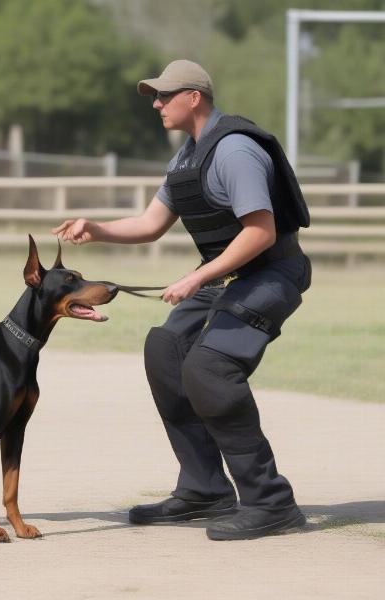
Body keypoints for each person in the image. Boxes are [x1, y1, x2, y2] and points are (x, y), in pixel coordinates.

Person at [52, 59, 312, 541]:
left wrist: (198, 278)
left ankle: (270, 501)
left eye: (165, 95)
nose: (156, 103)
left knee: (210, 367)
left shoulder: (234, 150)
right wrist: (99, 229)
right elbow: (151, 225)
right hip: (228, 274)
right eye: (155, 95)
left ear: (194, 97)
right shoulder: (188, 158)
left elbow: (261, 232)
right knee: (166, 351)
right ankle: (205, 489)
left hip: (272, 271)